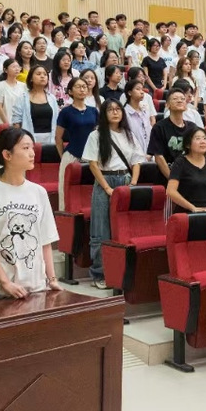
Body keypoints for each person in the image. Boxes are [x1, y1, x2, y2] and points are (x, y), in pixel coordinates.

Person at [0, 127, 62, 300]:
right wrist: (5, 283)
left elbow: (45, 241)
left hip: (36, 288)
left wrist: (52, 279)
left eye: (32, 147)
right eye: (25, 148)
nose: (32, 153)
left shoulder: (39, 192)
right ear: (7, 155)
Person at [81, 99, 145, 287]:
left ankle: (123, 273)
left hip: (125, 181)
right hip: (105, 181)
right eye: (110, 110)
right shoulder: (96, 135)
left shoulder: (128, 134)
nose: (115, 112)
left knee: (124, 228)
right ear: (104, 114)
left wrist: (133, 183)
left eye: (118, 109)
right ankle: (99, 274)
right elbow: (93, 164)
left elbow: (137, 161)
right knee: (101, 229)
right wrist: (107, 188)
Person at [55, 76, 98, 197]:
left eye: (84, 87)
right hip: (72, 155)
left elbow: (98, 134)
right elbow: (58, 138)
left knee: (91, 190)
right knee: (65, 190)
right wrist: (62, 156)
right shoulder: (65, 112)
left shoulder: (93, 111)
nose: (82, 89)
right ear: (70, 91)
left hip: (92, 156)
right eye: (78, 87)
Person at [166, 125, 206, 214]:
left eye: (205, 138)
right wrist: (193, 208)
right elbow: (170, 191)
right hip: (186, 215)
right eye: (198, 138)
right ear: (188, 144)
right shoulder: (180, 162)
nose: (203, 141)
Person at [9, 66, 58, 144]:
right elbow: (16, 122)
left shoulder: (52, 98)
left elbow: (57, 120)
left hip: (51, 139)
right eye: (38, 74)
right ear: (31, 78)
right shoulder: (22, 98)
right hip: (28, 139)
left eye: (45, 74)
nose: (42, 76)